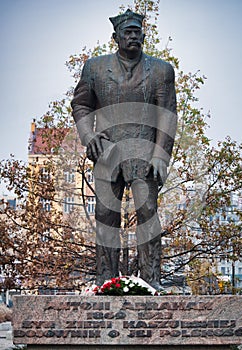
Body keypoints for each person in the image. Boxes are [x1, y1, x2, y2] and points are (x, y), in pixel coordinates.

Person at [71, 9, 177, 288]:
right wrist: (88, 135)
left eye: (137, 31)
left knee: (147, 214)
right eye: (127, 32)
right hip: (106, 152)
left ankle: (151, 281)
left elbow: (167, 115)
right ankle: (106, 280)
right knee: (106, 216)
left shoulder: (162, 71)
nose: (133, 36)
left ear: (143, 35)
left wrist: (160, 156)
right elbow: (81, 104)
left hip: (144, 155)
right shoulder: (94, 68)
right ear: (115, 37)